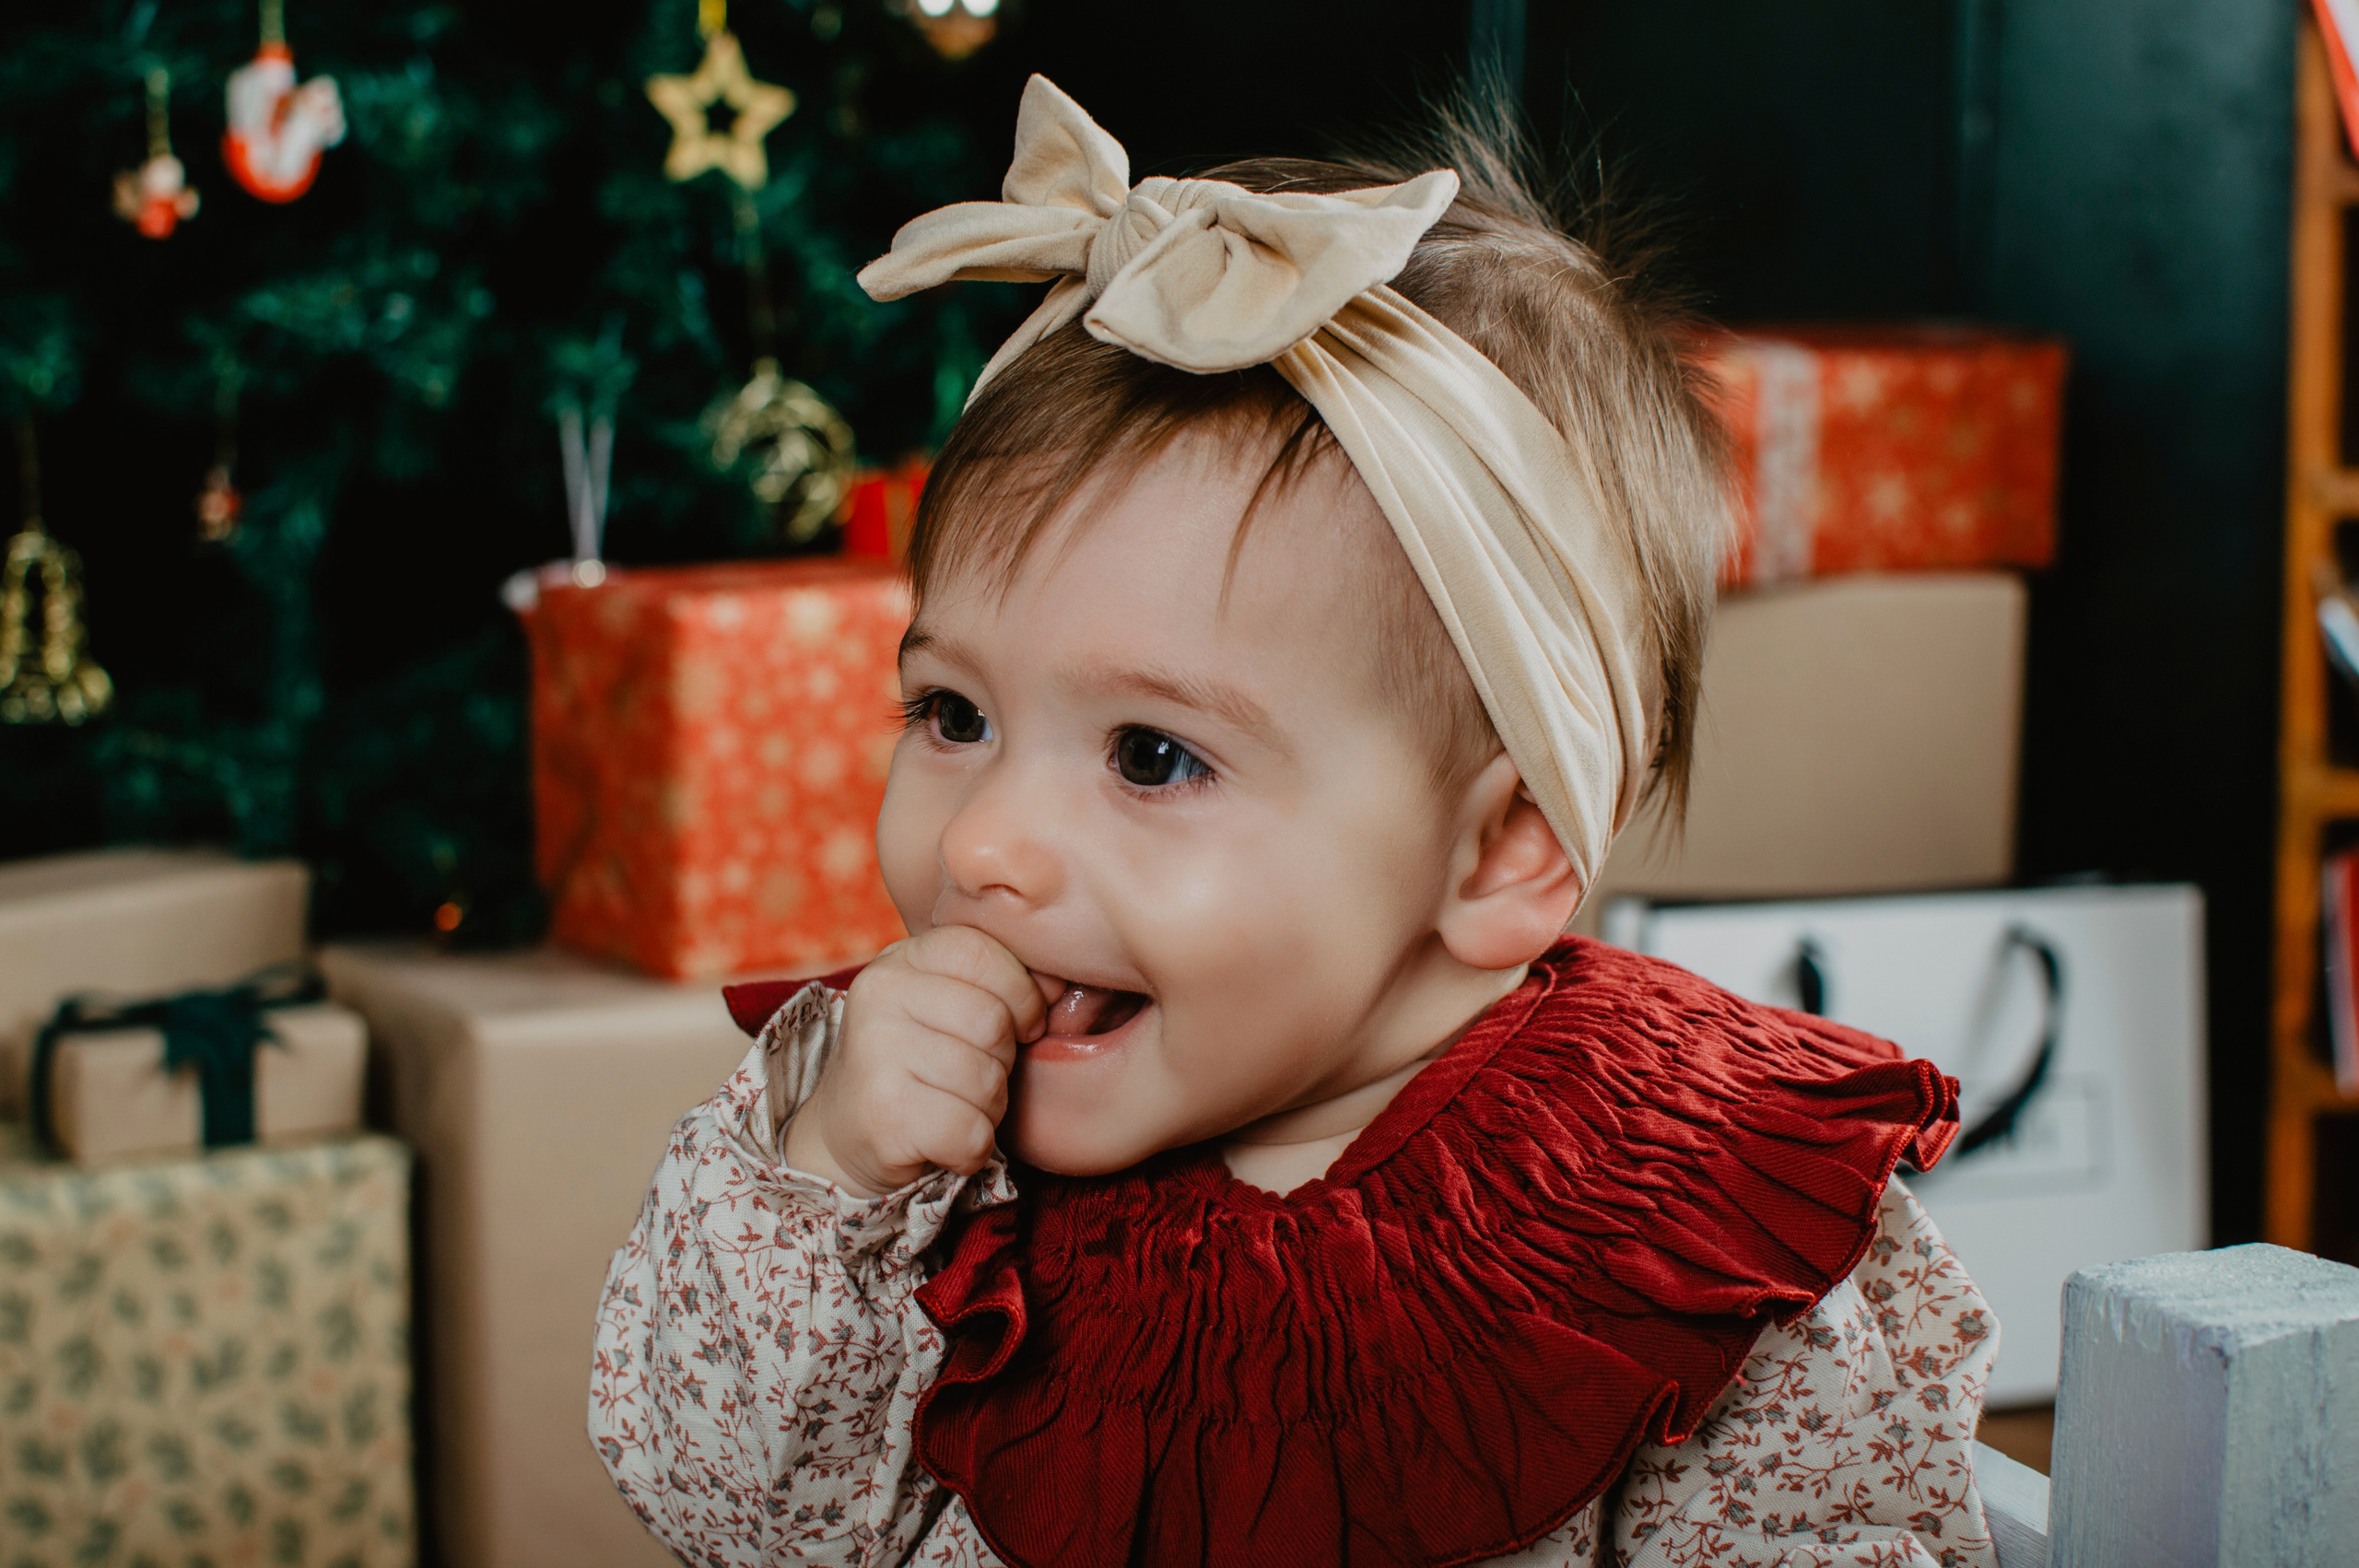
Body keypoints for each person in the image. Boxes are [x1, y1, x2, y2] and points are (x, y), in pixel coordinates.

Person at [589, 76, 2001, 1568]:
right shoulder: (912, 1169)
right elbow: (729, 1520)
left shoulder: (1676, 1228)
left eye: (1150, 754)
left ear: (1498, 851)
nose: (983, 842)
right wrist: (833, 1179)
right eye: (954, 716)